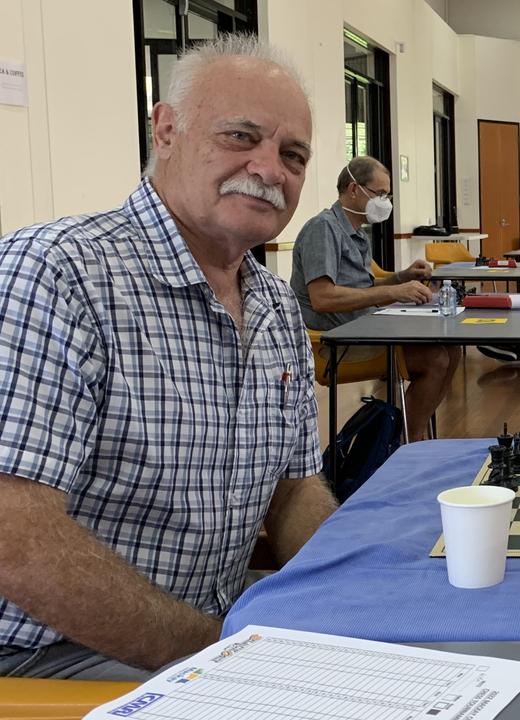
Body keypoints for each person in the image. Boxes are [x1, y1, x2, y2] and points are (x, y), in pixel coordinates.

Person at [0, 35, 336, 680]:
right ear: (166, 130)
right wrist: (214, 653)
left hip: (214, 635)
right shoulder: (58, 274)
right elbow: (13, 531)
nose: (270, 169)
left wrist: (345, 596)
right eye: (241, 136)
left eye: (293, 154)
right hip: (39, 659)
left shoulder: (274, 305)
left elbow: (294, 491)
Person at [291, 156, 460, 442]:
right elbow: (323, 298)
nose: (384, 201)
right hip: (335, 343)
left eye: (387, 195)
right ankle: (407, 443)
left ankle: (407, 435)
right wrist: (392, 292)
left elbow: (365, 287)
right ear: (353, 189)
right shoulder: (323, 229)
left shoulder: (356, 234)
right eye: (379, 193)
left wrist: (402, 277)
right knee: (435, 359)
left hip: (366, 329)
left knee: (451, 350)